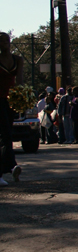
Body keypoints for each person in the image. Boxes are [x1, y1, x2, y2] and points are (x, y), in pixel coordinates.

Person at [0, 32, 24, 185]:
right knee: (5, 133)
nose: (5, 43)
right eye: (1, 41)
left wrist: (22, 98)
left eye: (6, 40)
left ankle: (10, 167)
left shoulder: (18, 60)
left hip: (11, 101)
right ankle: (9, 167)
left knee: (7, 134)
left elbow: (20, 80)